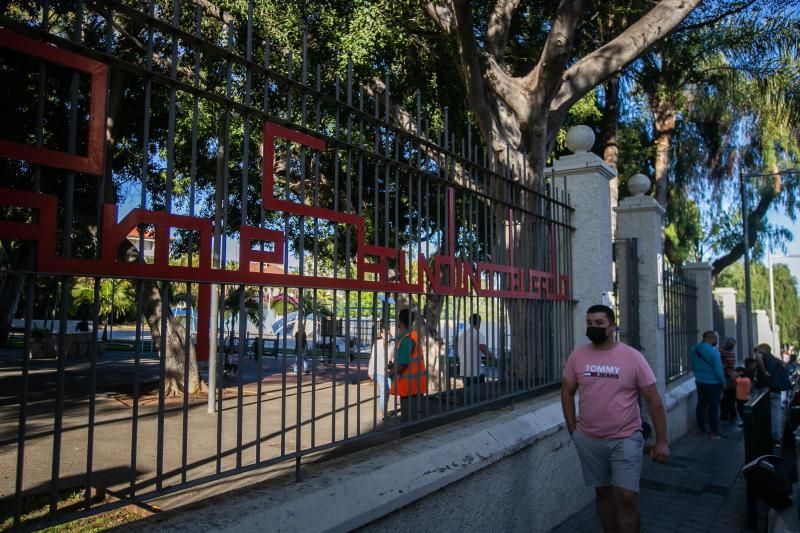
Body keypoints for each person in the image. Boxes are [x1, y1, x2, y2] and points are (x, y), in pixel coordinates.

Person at [561, 304, 669, 533]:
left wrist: (661, 441)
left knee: (627, 496)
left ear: (612, 326)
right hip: (589, 439)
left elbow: (654, 400)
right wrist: (574, 431)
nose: (593, 327)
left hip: (625, 437)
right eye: (589, 323)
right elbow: (567, 391)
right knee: (603, 493)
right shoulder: (578, 356)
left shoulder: (632, 357)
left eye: (599, 323)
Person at [388, 309, 427, 422]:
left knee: (408, 420)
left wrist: (390, 373)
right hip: (414, 386)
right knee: (411, 418)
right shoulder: (412, 336)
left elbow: (402, 365)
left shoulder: (407, 339)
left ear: (400, 322)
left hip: (409, 388)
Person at [689, 331, 727, 439]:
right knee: (713, 407)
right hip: (713, 383)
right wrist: (724, 382)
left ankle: (701, 428)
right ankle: (714, 431)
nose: (716, 341)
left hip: (700, 381)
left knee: (701, 404)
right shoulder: (714, 352)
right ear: (710, 338)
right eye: (715, 339)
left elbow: (693, 364)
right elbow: (718, 370)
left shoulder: (694, 349)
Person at [755, 343, 790, 442]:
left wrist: (764, 371)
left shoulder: (762, 355)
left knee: (762, 413)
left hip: (763, 390)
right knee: (776, 414)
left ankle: (763, 435)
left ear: (763, 349)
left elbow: (758, 356)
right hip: (776, 390)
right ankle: (776, 435)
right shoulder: (776, 360)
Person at [456, 313, 493, 385]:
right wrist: (492, 357)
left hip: (464, 371)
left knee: (468, 393)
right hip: (475, 372)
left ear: (470, 322)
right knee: (479, 393)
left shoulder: (462, 335)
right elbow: (483, 348)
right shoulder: (478, 334)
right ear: (479, 322)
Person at [368, 322, 394, 416]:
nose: (387, 335)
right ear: (381, 334)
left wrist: (392, 364)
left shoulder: (392, 344)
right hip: (379, 371)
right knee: (384, 389)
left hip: (388, 371)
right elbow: (373, 357)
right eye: (384, 333)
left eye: (388, 333)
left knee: (389, 390)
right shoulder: (377, 343)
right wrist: (370, 371)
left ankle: (384, 408)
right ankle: (383, 411)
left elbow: (393, 357)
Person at [719, 337, 738, 422]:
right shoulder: (731, 353)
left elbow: (719, 351)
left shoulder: (724, 353)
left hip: (728, 377)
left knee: (727, 397)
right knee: (730, 397)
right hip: (731, 377)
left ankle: (726, 414)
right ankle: (731, 414)